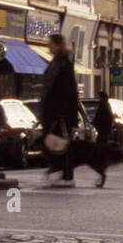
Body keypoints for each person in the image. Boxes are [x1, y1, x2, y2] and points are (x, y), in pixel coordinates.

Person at [39, 33, 79, 186]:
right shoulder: (58, 62)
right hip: (53, 111)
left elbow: (67, 91)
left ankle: (67, 176)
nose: (48, 47)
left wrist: (61, 112)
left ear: (57, 45)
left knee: (61, 143)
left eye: (50, 44)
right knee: (53, 143)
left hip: (59, 113)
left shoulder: (63, 64)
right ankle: (60, 172)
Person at [90, 92, 116, 188]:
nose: (99, 99)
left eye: (100, 97)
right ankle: (101, 172)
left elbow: (99, 118)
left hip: (102, 132)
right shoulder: (107, 105)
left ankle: (101, 169)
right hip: (105, 132)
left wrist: (94, 123)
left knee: (98, 151)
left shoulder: (103, 105)